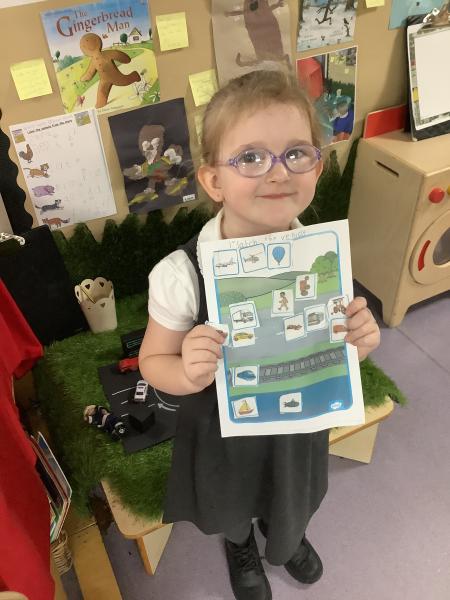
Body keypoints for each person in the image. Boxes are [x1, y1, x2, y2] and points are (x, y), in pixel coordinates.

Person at [139, 69, 380, 600]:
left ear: (317, 166)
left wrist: (358, 343)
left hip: (298, 425)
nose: (278, 173)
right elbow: (153, 361)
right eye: (250, 157)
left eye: (296, 153)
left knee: (291, 493)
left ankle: (285, 534)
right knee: (230, 500)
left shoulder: (321, 256)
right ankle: (239, 542)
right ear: (213, 181)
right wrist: (185, 371)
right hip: (222, 432)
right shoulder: (181, 274)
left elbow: (335, 341)